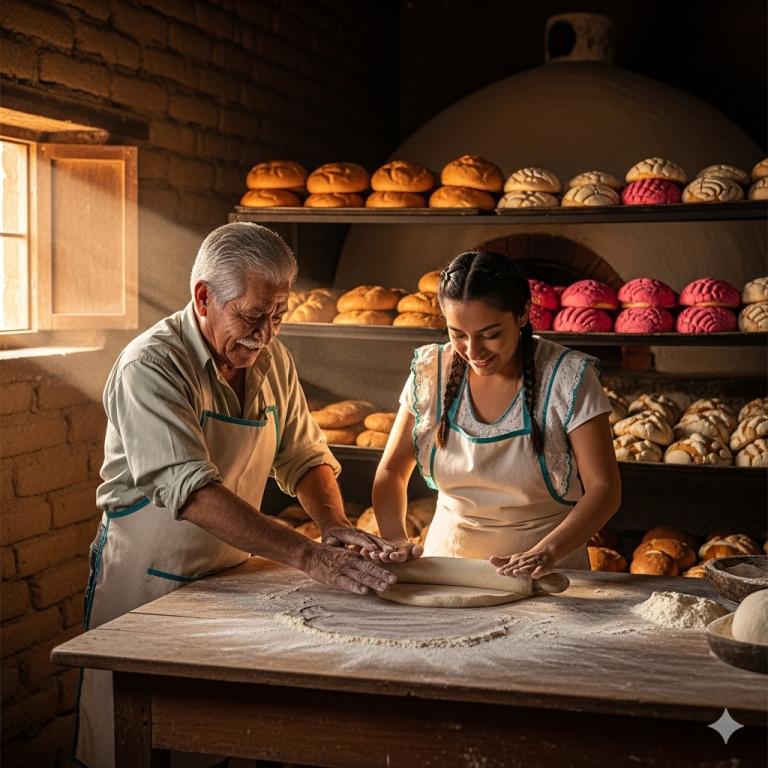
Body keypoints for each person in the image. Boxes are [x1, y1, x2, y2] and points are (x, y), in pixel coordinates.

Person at [75, 222, 397, 768]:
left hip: (230, 580)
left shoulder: (270, 361)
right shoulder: (150, 367)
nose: (266, 334)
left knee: (217, 739)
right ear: (203, 297)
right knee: (136, 743)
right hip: (148, 589)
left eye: (279, 315)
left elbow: (306, 456)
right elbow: (193, 494)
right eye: (252, 316)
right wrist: (307, 555)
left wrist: (332, 523)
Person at [371, 250, 621, 577]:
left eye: (490, 334)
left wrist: (548, 552)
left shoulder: (568, 377)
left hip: (549, 572)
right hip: (447, 571)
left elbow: (604, 488)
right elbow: (391, 471)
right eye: (458, 334)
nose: (473, 352)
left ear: (522, 314)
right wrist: (394, 539)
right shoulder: (432, 372)